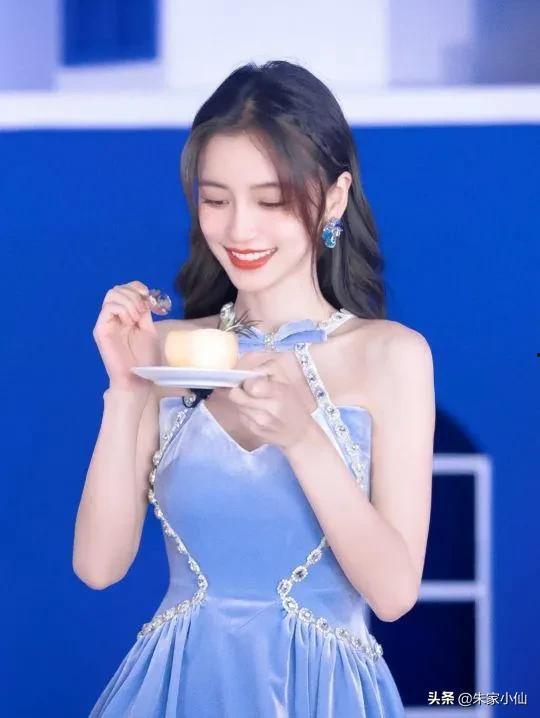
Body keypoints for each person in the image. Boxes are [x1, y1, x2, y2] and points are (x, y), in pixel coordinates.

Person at [75, 59, 435, 717]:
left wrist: (303, 439)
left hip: (324, 694)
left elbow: (393, 593)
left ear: (334, 198)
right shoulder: (167, 349)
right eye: (216, 200)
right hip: (175, 690)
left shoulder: (392, 356)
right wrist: (126, 390)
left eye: (271, 201)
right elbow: (99, 567)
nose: (240, 230)